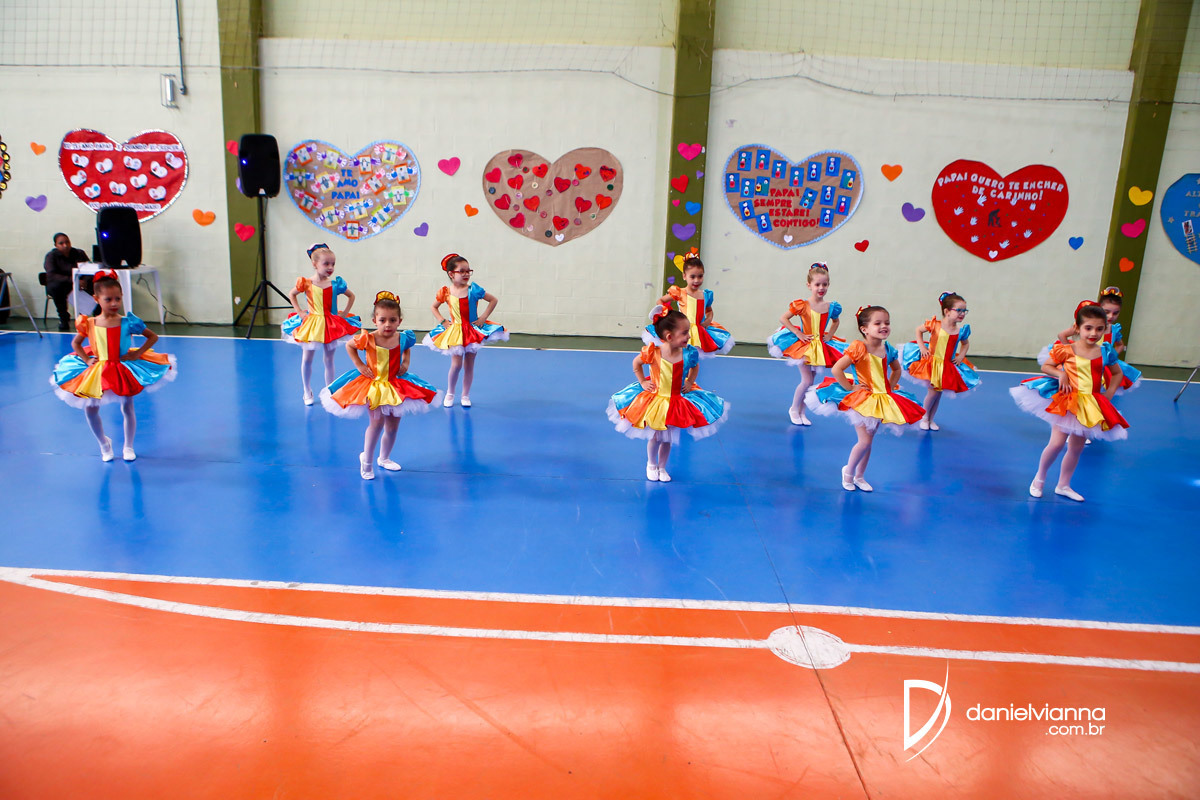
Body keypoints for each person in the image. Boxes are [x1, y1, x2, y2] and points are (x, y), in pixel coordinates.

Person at [49, 270, 175, 461]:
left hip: (122, 366)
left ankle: (128, 446)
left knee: (128, 406)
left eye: (118, 298)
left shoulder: (127, 322)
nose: (114, 303)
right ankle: (103, 444)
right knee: (91, 409)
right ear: (96, 299)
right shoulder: (89, 323)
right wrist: (86, 360)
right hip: (98, 368)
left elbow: (152, 337)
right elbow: (76, 344)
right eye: (108, 299)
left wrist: (138, 353)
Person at [1011, 302, 1128, 502]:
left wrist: (1109, 393)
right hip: (1067, 402)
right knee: (1056, 444)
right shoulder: (1068, 349)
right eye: (1088, 328)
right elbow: (1047, 366)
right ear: (1077, 328)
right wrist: (1061, 374)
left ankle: (1063, 485)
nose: (1094, 333)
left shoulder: (1105, 351)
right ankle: (1039, 479)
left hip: (1089, 405)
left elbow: (1117, 373)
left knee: (1076, 448)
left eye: (1099, 329)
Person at [806, 305, 925, 491]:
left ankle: (860, 476)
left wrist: (890, 386)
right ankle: (848, 473)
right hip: (862, 399)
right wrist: (850, 388)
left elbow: (896, 369)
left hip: (882, 398)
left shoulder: (888, 348)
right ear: (865, 329)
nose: (884, 326)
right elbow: (837, 369)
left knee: (869, 441)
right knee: (865, 441)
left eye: (887, 323)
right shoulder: (859, 348)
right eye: (877, 323)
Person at [320, 291, 436, 480]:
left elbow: (407, 349)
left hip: (395, 386)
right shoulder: (368, 338)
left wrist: (406, 363)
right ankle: (366, 462)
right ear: (375, 321)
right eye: (383, 320)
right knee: (376, 425)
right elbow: (350, 346)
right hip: (373, 386)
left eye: (392, 320)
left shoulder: (403, 338)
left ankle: (384, 458)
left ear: (399, 321)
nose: (387, 324)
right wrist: (359, 365)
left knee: (393, 427)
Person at [608, 307, 728, 482]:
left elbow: (695, 367)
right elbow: (636, 363)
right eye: (684, 333)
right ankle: (651, 464)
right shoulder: (653, 352)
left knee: (667, 439)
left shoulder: (688, 353)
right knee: (656, 436)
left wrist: (689, 381)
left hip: (676, 402)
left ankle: (662, 467)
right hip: (656, 401)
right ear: (670, 337)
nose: (689, 336)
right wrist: (642, 382)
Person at [423, 253, 507, 408]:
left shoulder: (473, 290)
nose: (466, 274)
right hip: (456, 332)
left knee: (469, 365)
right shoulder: (446, 292)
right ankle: (450, 393)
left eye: (468, 271)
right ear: (451, 274)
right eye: (462, 271)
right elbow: (433, 307)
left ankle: (465, 395)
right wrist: (442, 320)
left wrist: (483, 317)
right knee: (456, 365)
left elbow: (493, 300)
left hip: (472, 331)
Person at [767, 262, 846, 426]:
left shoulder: (831, 306)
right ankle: (793, 409)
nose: (821, 288)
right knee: (807, 381)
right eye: (817, 284)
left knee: (811, 381)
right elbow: (783, 318)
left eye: (824, 284)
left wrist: (829, 335)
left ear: (828, 285)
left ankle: (802, 411)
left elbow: (836, 321)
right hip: (805, 347)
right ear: (809, 285)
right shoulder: (803, 305)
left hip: (820, 348)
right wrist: (798, 333)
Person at [282, 243, 360, 405]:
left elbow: (351, 296)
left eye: (333, 264)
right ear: (315, 264)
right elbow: (292, 294)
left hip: (331, 324)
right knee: (307, 358)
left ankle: (329, 390)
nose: (330, 267)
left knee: (329, 359)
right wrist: (300, 312)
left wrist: (344, 313)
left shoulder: (335, 284)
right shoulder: (306, 283)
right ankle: (306, 391)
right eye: (326, 264)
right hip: (312, 324)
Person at [901, 291, 980, 431]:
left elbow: (965, 344)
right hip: (932, 363)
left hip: (946, 366)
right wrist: (922, 347)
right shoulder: (935, 325)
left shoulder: (960, 331)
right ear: (947, 311)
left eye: (964, 311)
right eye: (959, 310)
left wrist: (961, 356)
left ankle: (931, 419)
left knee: (938, 394)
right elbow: (918, 330)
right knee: (933, 392)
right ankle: (924, 417)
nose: (962, 314)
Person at [642, 252, 734, 358]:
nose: (696, 280)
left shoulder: (706, 295)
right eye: (692, 277)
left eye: (700, 276)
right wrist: (667, 314)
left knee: (693, 358)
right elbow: (661, 300)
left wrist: (708, 321)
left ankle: (690, 369)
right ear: (684, 276)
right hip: (682, 330)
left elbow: (709, 310)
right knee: (680, 355)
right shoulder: (680, 292)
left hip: (699, 332)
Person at [43, 232, 90, 331]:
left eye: (67, 242)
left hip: (80, 283)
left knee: (97, 284)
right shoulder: (51, 256)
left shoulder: (79, 253)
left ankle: (92, 316)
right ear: (56, 245)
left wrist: (84, 281)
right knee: (56, 288)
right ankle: (63, 317)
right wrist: (73, 281)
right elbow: (52, 275)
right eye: (61, 243)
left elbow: (89, 269)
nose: (65, 245)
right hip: (63, 284)